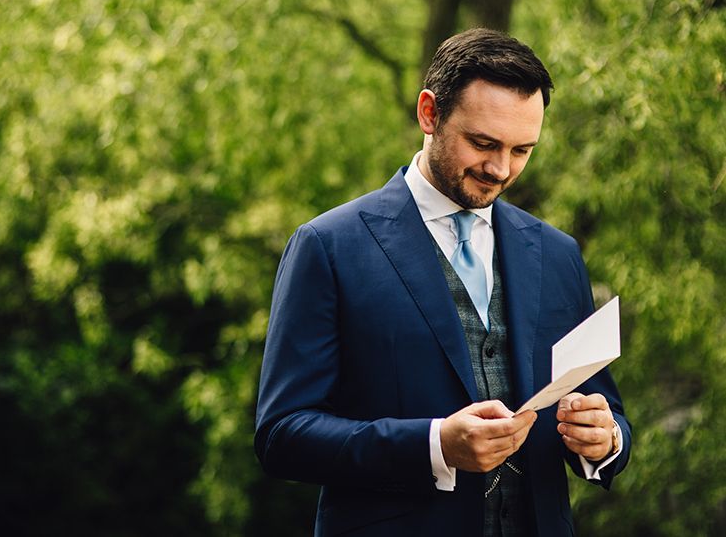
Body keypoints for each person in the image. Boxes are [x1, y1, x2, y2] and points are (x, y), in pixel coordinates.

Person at [255, 28, 631, 536]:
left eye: (523, 150)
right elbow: (283, 435)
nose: (500, 169)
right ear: (429, 113)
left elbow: (606, 412)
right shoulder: (328, 246)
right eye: (482, 143)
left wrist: (605, 440)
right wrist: (435, 445)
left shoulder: (558, 254)